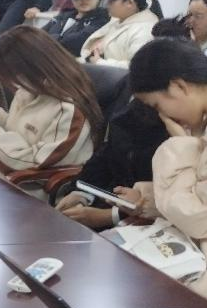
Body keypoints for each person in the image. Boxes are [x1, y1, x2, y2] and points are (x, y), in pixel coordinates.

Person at [112, 38, 207, 305]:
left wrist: (183, 145)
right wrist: (149, 197)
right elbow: (206, 188)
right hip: (202, 252)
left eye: (157, 106)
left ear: (179, 86)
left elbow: (199, 217)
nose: (162, 116)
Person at [0, 26, 101, 180]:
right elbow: (20, 130)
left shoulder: (68, 110)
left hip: (26, 184)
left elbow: (35, 162)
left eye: (17, 75)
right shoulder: (29, 89)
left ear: (34, 68)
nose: (15, 82)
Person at [55, 99, 169, 230]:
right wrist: (81, 194)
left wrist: (109, 216)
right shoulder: (127, 113)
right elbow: (106, 156)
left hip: (149, 222)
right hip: (113, 201)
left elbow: (161, 202)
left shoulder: (174, 134)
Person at [79, 0, 159, 67]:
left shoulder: (145, 31)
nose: (107, 4)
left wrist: (99, 62)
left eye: (112, 0)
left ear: (129, 2)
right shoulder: (118, 20)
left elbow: (138, 68)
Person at [43, 0, 110, 57]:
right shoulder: (63, 15)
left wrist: (51, 39)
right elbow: (39, 34)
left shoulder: (103, 18)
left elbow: (78, 42)